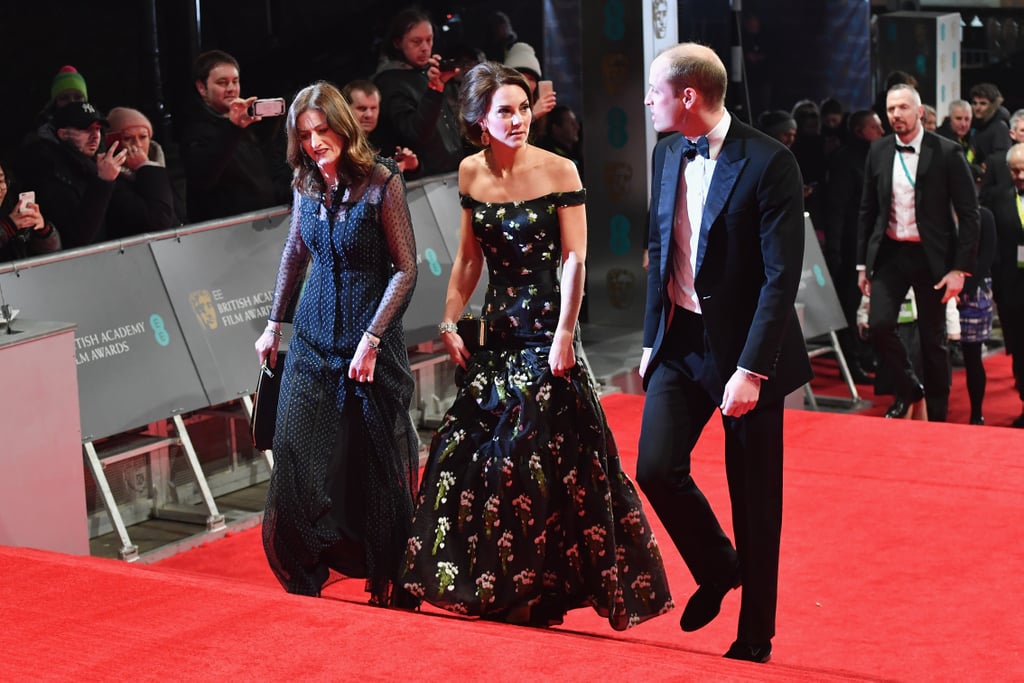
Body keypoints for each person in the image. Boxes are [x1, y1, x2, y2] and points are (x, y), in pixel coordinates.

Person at [401, 62, 673, 630]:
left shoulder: (560, 169)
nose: (520, 118)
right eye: (506, 110)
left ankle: (536, 589)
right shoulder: (470, 172)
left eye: (524, 107)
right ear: (479, 119)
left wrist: (566, 334)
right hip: (496, 338)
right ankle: (492, 587)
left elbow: (575, 258)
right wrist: (449, 321)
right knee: (462, 455)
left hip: (550, 336)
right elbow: (470, 259)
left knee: (531, 464)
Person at [637, 43, 811, 664]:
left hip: (746, 353)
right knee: (655, 468)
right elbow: (663, 249)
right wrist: (651, 337)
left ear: (687, 97)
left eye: (655, 91)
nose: (647, 101)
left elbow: (779, 277)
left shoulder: (770, 162)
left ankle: (755, 634)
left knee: (755, 498)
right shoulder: (665, 152)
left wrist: (752, 368)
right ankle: (718, 566)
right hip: (682, 341)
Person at [255, 81, 420, 606]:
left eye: (322, 131)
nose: (315, 142)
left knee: (374, 466)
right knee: (294, 456)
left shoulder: (380, 181)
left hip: (368, 349)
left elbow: (406, 270)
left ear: (343, 127)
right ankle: (306, 576)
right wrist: (272, 325)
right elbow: (294, 254)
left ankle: (385, 579)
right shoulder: (303, 181)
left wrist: (372, 338)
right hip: (311, 343)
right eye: (305, 135)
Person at [857, 84, 980, 422]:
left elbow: (970, 215)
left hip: (933, 260)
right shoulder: (878, 151)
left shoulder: (947, 152)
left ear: (919, 112)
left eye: (902, 108)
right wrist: (861, 264)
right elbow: (867, 210)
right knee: (879, 325)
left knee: (933, 339)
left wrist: (960, 269)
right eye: (891, 109)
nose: (896, 114)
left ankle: (938, 412)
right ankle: (910, 388)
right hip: (891, 253)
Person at [180, 50, 290, 222]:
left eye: (235, 81)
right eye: (222, 83)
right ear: (202, 88)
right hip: (221, 234)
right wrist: (233, 127)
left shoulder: (243, 125)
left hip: (260, 227)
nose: (231, 89)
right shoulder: (195, 130)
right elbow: (202, 179)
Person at [822, 110, 885, 383]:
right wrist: (835, 251)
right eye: (875, 127)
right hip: (850, 250)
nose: (882, 132)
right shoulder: (845, 161)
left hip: (875, 246)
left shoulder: (878, 157)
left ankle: (868, 354)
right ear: (860, 131)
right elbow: (836, 209)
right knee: (850, 306)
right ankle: (851, 361)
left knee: (870, 304)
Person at [17, 101, 127, 248]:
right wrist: (103, 182)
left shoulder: (98, 164)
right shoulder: (47, 169)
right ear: (63, 134)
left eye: (98, 129)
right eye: (86, 129)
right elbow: (76, 239)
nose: (96, 136)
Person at [372, 7, 464, 177]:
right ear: (398, 43)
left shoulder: (430, 71)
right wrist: (435, 88)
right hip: (424, 181)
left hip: (456, 170)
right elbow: (415, 133)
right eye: (416, 41)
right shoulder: (389, 81)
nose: (425, 47)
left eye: (429, 40)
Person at [989, 143, 1024, 427]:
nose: (1021, 175)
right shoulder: (998, 199)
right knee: (1021, 352)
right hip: (1013, 290)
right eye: (1015, 171)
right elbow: (994, 249)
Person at [104, 107, 179, 235]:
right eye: (127, 138)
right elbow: (159, 220)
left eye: (143, 137)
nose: (137, 144)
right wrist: (145, 167)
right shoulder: (113, 180)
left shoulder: (159, 167)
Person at [956, 206, 996, 425]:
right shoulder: (937, 211)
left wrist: (965, 288)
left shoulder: (984, 216)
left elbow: (988, 255)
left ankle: (976, 414)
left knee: (972, 357)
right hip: (941, 288)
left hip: (974, 290)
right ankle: (935, 410)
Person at [341, 80, 419, 175]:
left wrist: (411, 166)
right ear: (345, 109)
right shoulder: (338, 146)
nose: (369, 115)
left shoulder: (387, 135)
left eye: (373, 108)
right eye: (362, 108)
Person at [0, 159, 60, 261]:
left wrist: (42, 231)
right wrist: (8, 227)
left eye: (1, 180)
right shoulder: (10, 222)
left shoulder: (12, 212)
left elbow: (54, 259)